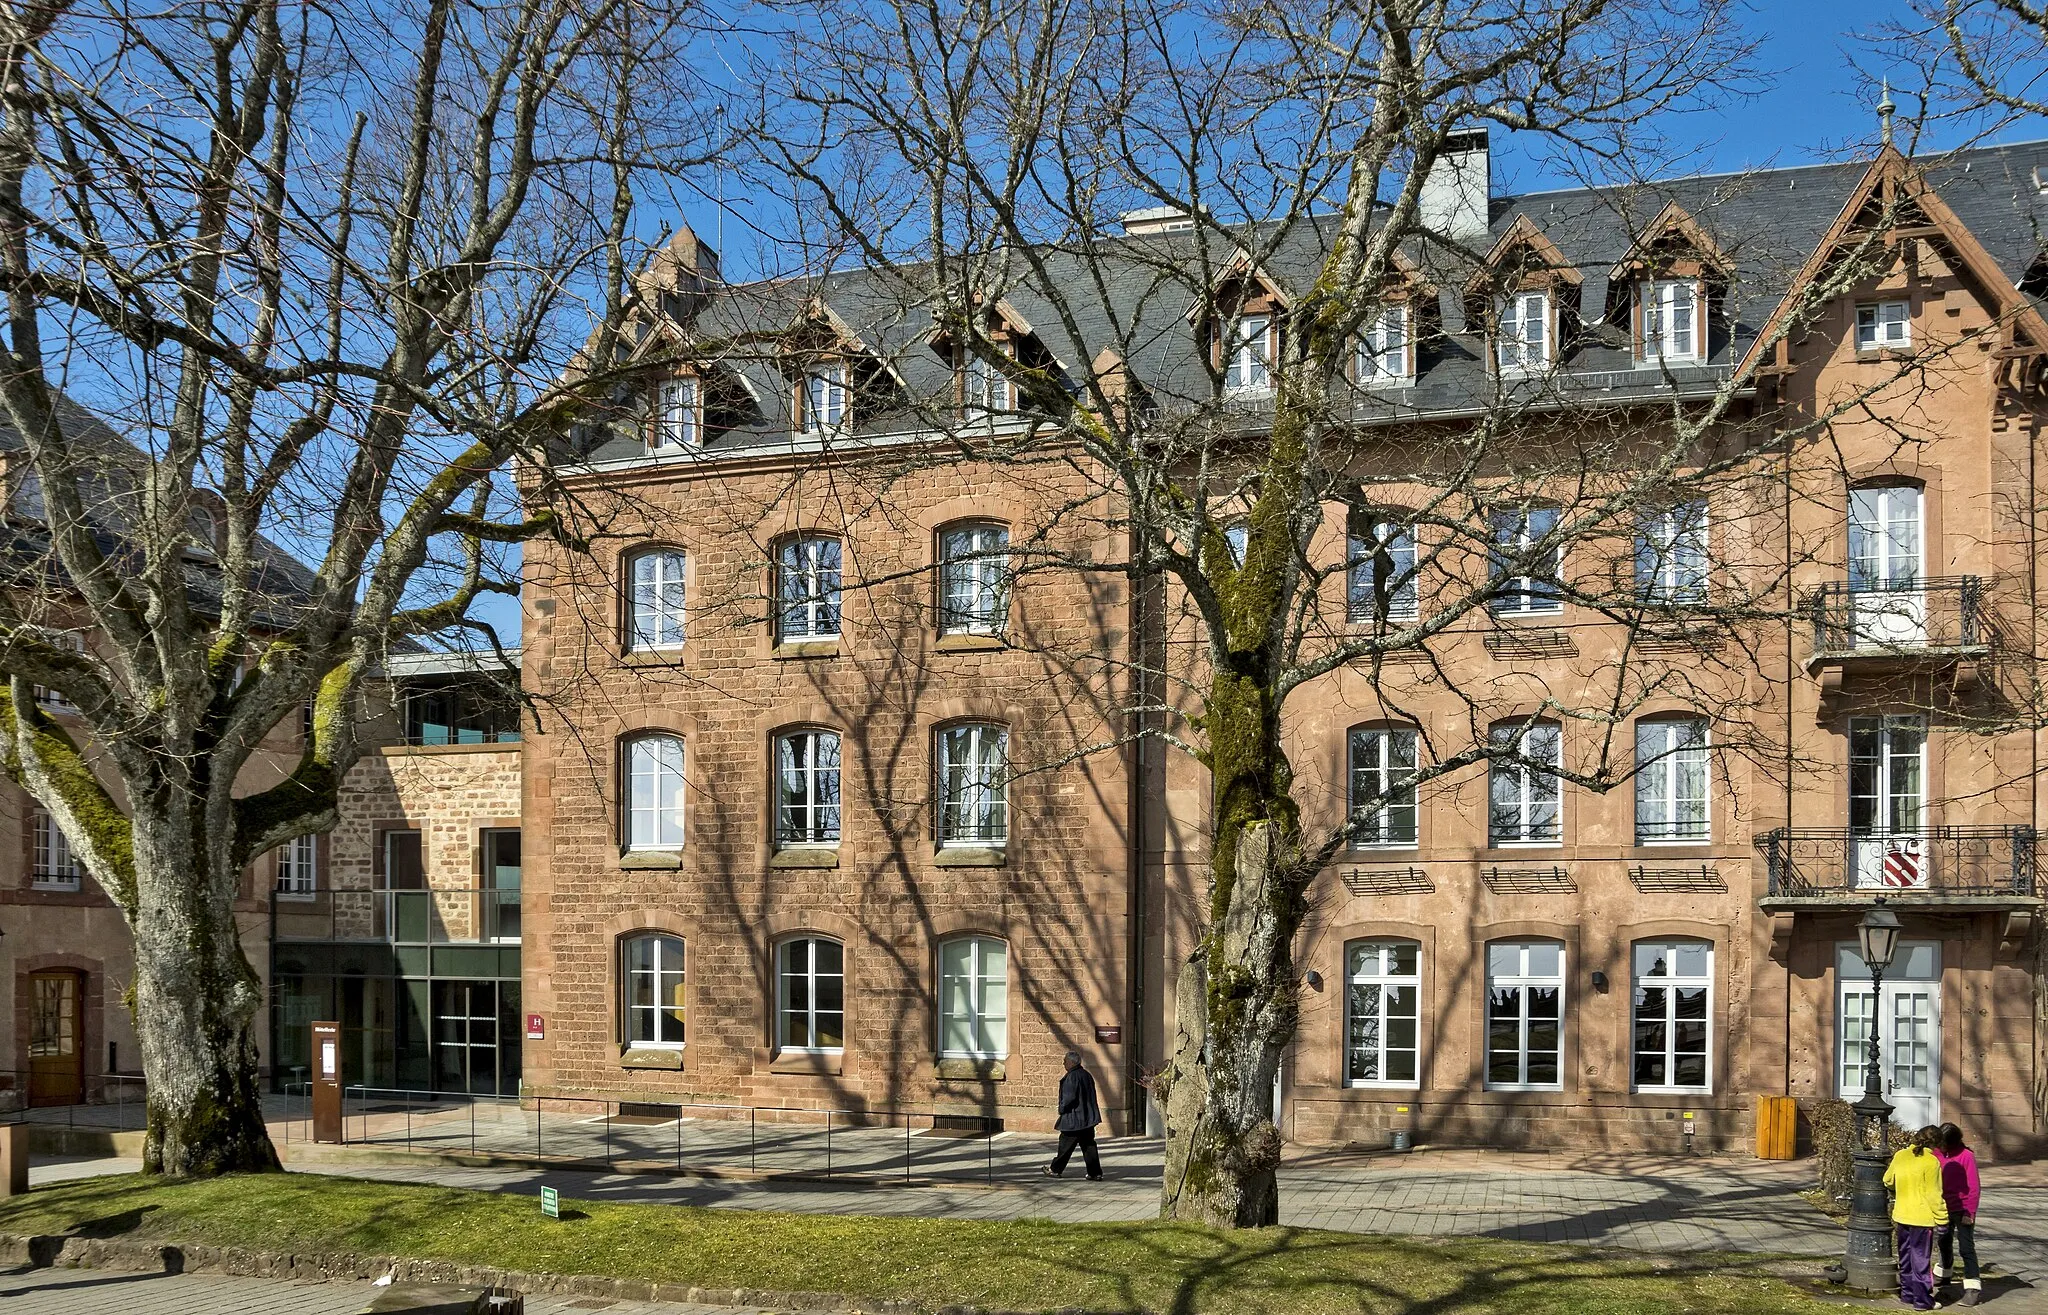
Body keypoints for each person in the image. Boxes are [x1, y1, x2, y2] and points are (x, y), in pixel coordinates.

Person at [1885, 1124, 1949, 1311]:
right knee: (1920, 1259)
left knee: (1905, 1257)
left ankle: (1907, 1294)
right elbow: (1934, 1194)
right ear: (1936, 1143)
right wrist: (1943, 1219)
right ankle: (1922, 1300)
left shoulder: (1901, 1156)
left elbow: (1887, 1180)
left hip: (1902, 1214)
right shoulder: (1931, 1162)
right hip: (1921, 1218)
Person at [1935, 1123, 1983, 1307]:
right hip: (1943, 1208)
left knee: (1966, 1248)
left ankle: (1972, 1288)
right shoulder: (1936, 1154)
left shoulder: (1966, 1156)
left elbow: (1974, 1187)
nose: (1940, 1146)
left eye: (1943, 1143)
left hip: (1962, 1209)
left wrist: (1969, 1212)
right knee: (1943, 1243)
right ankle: (1943, 1276)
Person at [1044, 1050, 1103, 1180]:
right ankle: (1095, 1173)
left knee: (1065, 1145)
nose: (1063, 1063)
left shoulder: (1072, 1077)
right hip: (1087, 1118)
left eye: (1065, 1061)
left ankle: (1055, 1169)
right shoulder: (1086, 1075)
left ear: (1071, 1062)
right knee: (1088, 1146)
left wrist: (1061, 1109)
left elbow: (1069, 1098)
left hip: (1074, 1119)